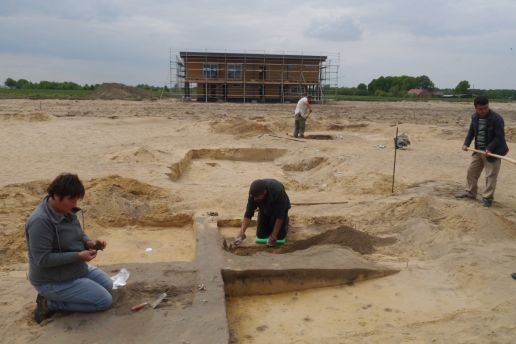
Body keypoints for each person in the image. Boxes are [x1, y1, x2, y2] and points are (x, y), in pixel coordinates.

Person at [25, 173, 113, 324]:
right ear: (56, 196)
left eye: (76, 199)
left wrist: (90, 243)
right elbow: (42, 259)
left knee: (108, 285)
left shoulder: (66, 210)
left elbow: (78, 234)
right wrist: (78, 256)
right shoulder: (40, 222)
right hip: (51, 280)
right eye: (71, 199)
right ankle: (49, 303)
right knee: (104, 301)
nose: (74, 203)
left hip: (73, 268)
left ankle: (58, 297)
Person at [455, 96, 509, 207]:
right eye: (480, 109)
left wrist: (489, 148)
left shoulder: (496, 118)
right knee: (471, 172)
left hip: (493, 152)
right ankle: (470, 192)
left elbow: (499, 137)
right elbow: (471, 132)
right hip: (478, 150)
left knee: (490, 176)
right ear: (475, 108)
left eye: (486, 108)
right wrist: (466, 143)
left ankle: (487, 198)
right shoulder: (474, 117)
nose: (484, 111)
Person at [235, 179, 291, 247]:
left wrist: (274, 235)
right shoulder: (253, 194)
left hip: (280, 208)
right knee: (261, 235)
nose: (254, 199)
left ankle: (286, 221)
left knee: (279, 236)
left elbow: (280, 216)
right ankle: (270, 220)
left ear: (264, 192)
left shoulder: (278, 192)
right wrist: (241, 232)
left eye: (257, 197)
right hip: (264, 208)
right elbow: (248, 213)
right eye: (254, 197)